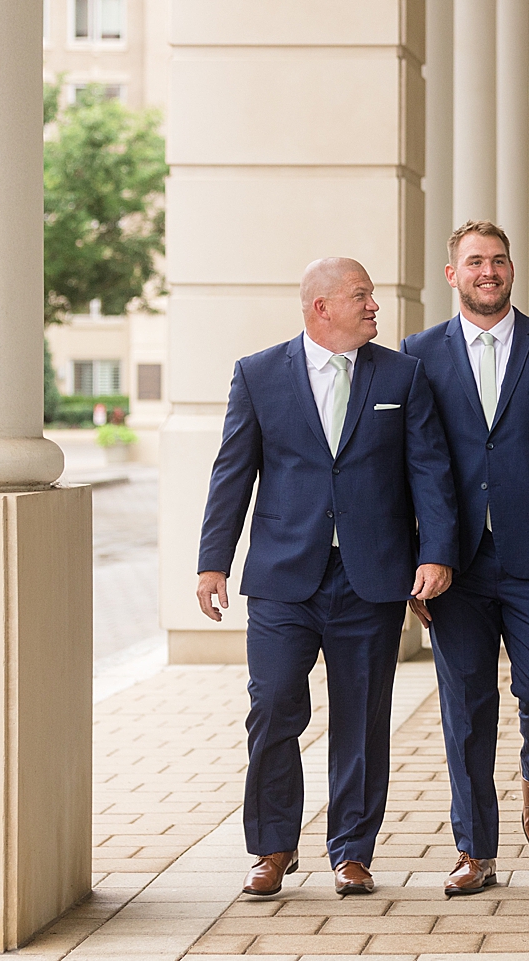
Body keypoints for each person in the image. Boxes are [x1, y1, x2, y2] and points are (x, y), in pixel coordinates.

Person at [196, 257, 457, 897]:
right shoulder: (258, 375)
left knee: (362, 718)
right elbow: (233, 471)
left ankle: (351, 850)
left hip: (371, 577)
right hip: (285, 577)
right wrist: (213, 561)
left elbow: (429, 472)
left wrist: (436, 553)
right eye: (362, 296)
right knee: (274, 707)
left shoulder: (403, 374)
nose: (375, 306)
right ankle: (272, 848)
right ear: (322, 307)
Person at [400, 222, 529, 897]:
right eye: (475, 261)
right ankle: (475, 850)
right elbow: (409, 467)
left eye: (499, 260)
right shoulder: (417, 356)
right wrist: (417, 562)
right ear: (453, 273)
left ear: (511, 270)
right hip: (457, 565)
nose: (488, 271)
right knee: (466, 708)